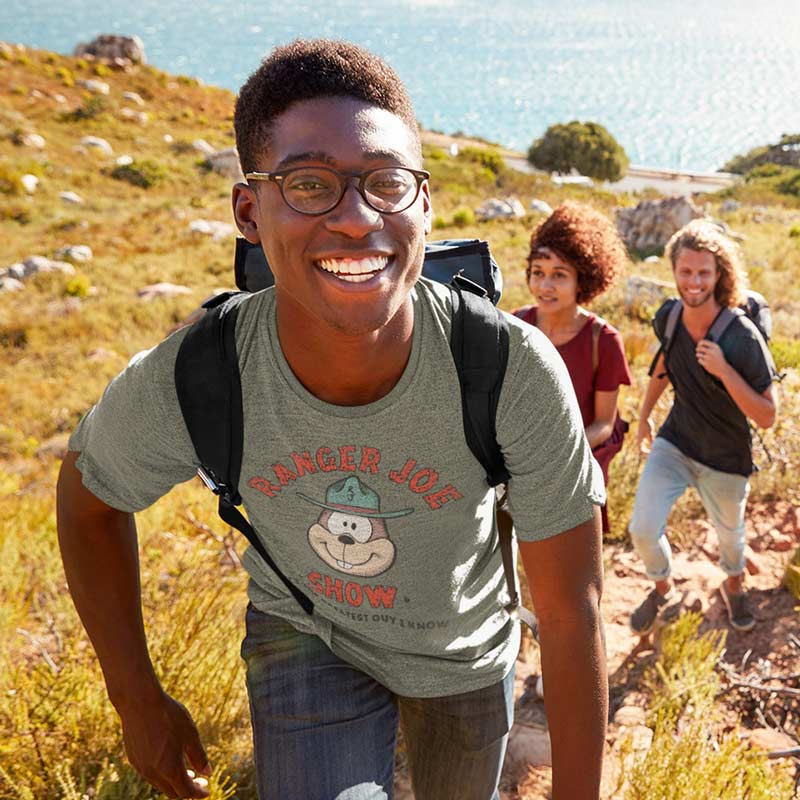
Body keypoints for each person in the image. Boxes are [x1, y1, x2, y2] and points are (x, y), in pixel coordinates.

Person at [57, 40, 608, 800]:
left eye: (386, 183)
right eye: (310, 183)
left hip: (464, 653)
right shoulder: (199, 373)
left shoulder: (509, 369)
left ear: (424, 203)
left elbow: (571, 611)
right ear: (249, 211)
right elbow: (88, 501)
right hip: (304, 636)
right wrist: (136, 699)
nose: (356, 220)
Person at [628, 219, 778, 636]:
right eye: (686, 271)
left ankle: (734, 585)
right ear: (674, 271)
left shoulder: (742, 336)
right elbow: (662, 365)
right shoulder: (670, 316)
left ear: (719, 275)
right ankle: (663, 589)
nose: (694, 281)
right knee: (642, 528)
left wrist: (725, 370)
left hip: (726, 458)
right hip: (675, 444)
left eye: (704, 273)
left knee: (731, 539)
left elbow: (767, 415)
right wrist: (643, 419)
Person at [514, 202, 632, 533]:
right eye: (538, 273)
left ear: (583, 280)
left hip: (576, 468)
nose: (545, 286)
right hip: (519, 469)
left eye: (559, 276)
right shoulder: (515, 324)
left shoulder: (604, 340)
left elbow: (604, 425)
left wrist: (554, 452)